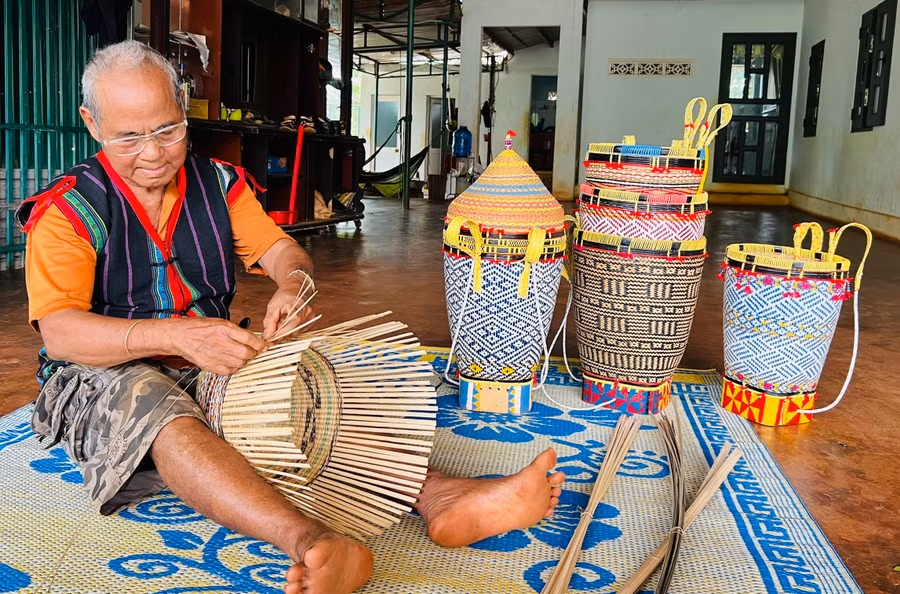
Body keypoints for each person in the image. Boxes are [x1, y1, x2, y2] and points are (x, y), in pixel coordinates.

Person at [16, 41, 564, 594]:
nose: (153, 152)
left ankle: (440, 493)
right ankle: (313, 543)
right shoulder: (67, 209)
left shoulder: (217, 185)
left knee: (310, 387)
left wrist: (293, 284)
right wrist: (176, 335)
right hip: (98, 368)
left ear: (184, 107)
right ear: (91, 123)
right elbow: (61, 333)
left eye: (168, 129)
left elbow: (285, 253)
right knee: (158, 405)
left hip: (207, 352)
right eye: (129, 137)